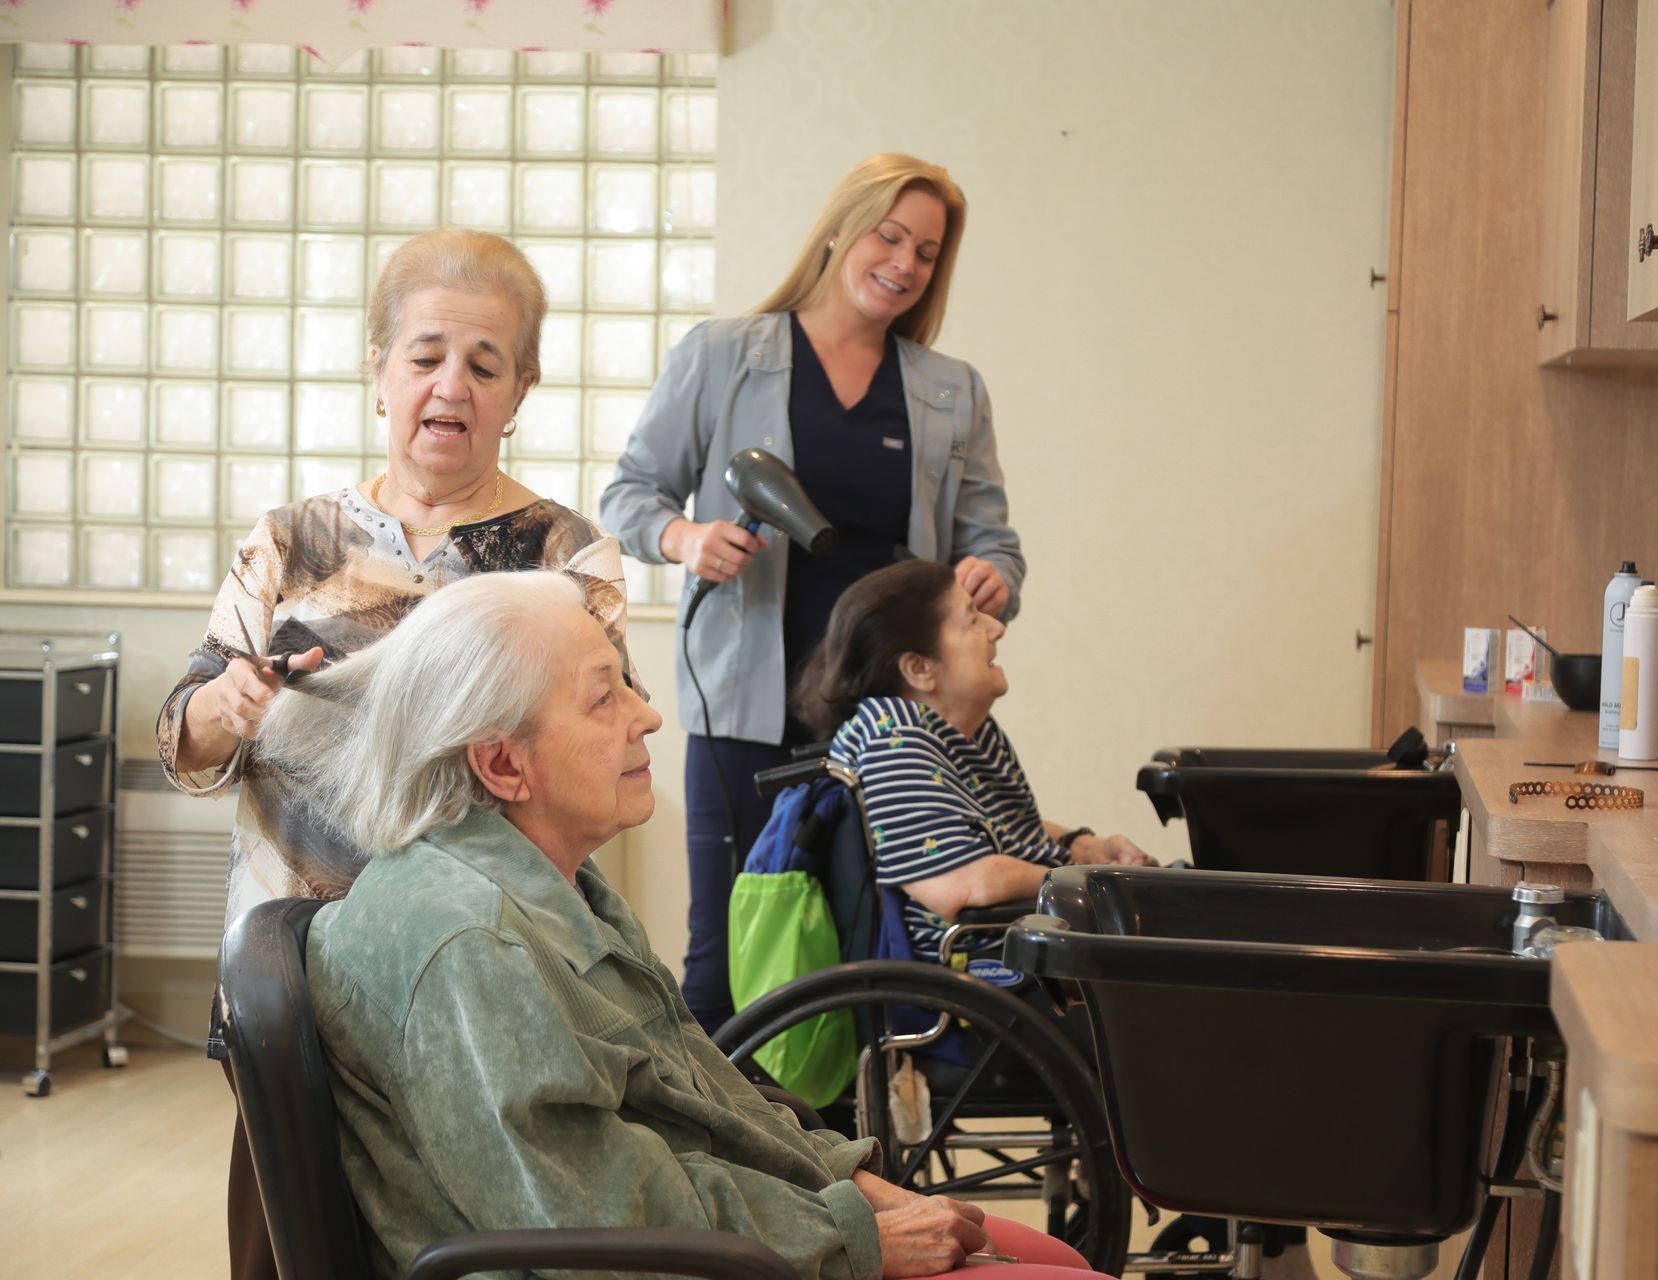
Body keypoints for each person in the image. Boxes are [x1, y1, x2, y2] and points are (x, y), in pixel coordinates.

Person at [252, 571, 1097, 1280]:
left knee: (1048, 1253)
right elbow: (589, 1219)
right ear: (503, 764)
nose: (648, 716)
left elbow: (710, 1105)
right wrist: (853, 1237)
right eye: (604, 696)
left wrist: (867, 1193)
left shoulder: (563, 894)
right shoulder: (472, 943)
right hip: (655, 1265)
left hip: (717, 1239)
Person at [155, 227, 631, 1280]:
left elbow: (594, 761)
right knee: (287, 1246)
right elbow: (182, 739)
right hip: (294, 973)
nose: (449, 383)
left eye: (484, 362)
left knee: (471, 1244)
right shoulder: (293, 541)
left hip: (473, 979)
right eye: (424, 355)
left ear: (520, 388)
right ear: (379, 370)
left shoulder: (567, 556)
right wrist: (227, 707)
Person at [600, 154, 1026, 1032]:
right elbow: (631, 495)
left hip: (886, 721)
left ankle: (843, 1158)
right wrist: (687, 538)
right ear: (839, 229)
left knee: (866, 952)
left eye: (928, 252)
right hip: (743, 710)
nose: (905, 264)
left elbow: (993, 543)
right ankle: (719, 1152)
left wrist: (994, 580)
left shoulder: (950, 391)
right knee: (731, 953)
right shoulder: (724, 356)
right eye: (890, 235)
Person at [792, 561, 1153, 964]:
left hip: (1023, 947)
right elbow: (961, 884)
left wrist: (1083, 846)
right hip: (982, 974)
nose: (996, 628)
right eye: (971, 619)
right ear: (919, 668)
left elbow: (992, 827)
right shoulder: (893, 739)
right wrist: (1094, 883)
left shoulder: (958, 727)